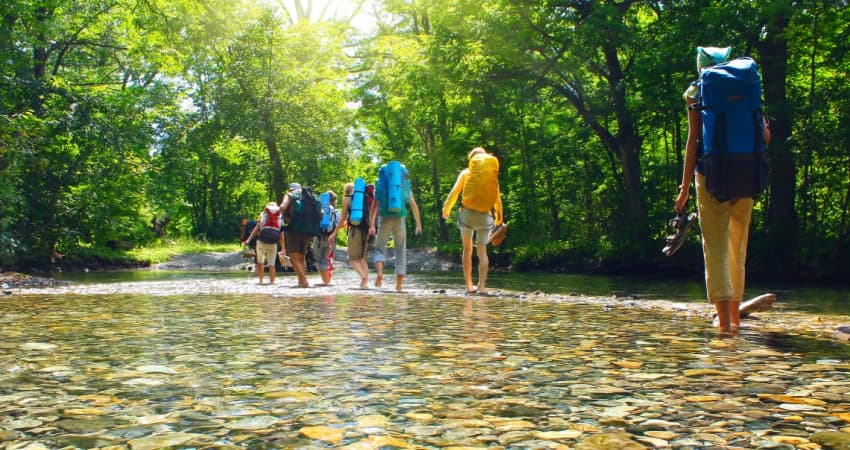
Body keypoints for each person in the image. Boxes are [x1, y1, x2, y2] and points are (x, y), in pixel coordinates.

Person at [675, 46, 771, 335]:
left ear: (700, 65)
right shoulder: (747, 85)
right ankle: (736, 320)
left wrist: (684, 189)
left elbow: (693, 141)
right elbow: (765, 134)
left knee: (715, 247)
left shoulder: (696, 92)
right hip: (746, 173)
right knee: (737, 247)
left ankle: (725, 327)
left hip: (711, 176)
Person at [442, 147, 504, 295]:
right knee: (482, 252)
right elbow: (497, 200)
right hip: (484, 216)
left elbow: (454, 193)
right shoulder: (491, 175)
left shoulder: (466, 173)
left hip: (467, 214)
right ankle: (481, 286)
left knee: (467, 249)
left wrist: (446, 209)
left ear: (472, 160)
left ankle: (469, 286)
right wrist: (499, 219)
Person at [369, 162, 422, 292]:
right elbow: (414, 205)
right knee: (400, 250)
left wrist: (371, 224)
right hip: (400, 218)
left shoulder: (380, 184)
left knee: (380, 249)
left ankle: (380, 274)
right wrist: (418, 224)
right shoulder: (403, 185)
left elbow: (374, 206)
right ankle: (398, 286)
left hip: (384, 218)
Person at [329, 183, 370, 289]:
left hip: (355, 231)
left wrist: (334, 233)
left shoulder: (346, 199)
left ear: (345, 190)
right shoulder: (363, 198)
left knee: (352, 259)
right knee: (362, 259)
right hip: (366, 230)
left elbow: (343, 218)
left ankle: (363, 277)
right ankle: (364, 286)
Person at [280, 183, 318, 288]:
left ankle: (304, 281)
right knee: (301, 257)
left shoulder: (290, 195)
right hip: (308, 230)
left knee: (293, 258)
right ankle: (300, 281)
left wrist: (282, 216)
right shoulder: (309, 196)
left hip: (294, 229)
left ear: (290, 189)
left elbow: (283, 207)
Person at [241, 202, 285, 285]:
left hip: (261, 242)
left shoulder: (263, 214)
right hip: (273, 243)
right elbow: (281, 235)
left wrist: (248, 240)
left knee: (260, 263)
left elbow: (256, 228)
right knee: (272, 265)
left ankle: (261, 281)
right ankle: (272, 282)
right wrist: (283, 248)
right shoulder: (280, 217)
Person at [314, 190, 339, 285]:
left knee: (319, 260)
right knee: (327, 260)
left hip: (319, 237)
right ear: (334, 200)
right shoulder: (336, 211)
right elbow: (339, 225)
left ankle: (326, 283)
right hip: (331, 239)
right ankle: (327, 282)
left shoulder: (320, 209)